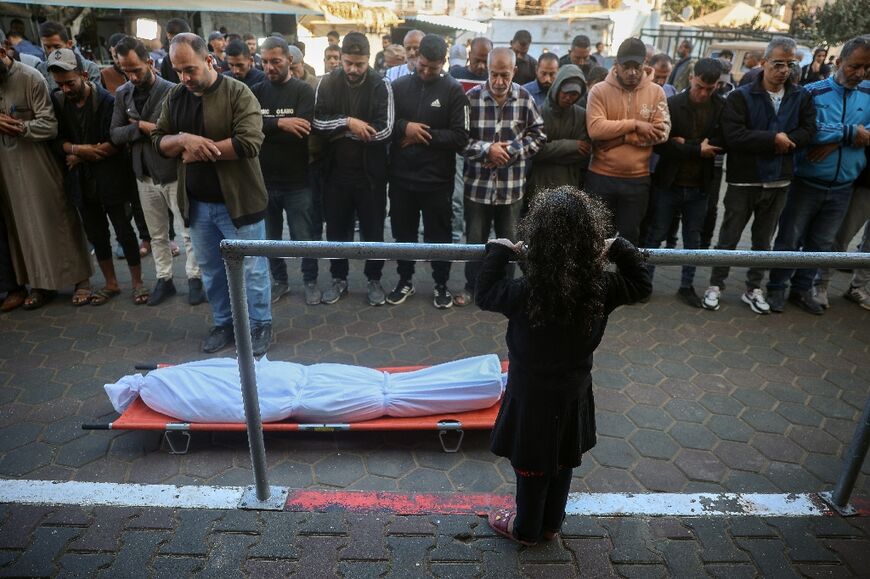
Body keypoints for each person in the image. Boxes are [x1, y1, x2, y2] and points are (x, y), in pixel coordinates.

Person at [478, 187, 651, 546]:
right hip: (573, 393)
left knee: (532, 468)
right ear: (591, 237)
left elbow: (486, 292)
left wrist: (498, 251)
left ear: (537, 237)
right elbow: (642, 284)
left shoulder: (528, 290)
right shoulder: (601, 286)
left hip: (530, 397)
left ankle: (526, 529)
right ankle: (552, 524)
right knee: (561, 462)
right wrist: (619, 247)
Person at [152, 33, 272, 355]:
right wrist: (183, 140)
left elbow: (249, 143)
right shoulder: (176, 97)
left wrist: (197, 149)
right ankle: (224, 323)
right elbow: (159, 140)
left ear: (209, 60)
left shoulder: (238, 92)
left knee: (253, 270)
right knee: (211, 271)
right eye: (178, 71)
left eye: (189, 69)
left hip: (240, 202)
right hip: (198, 206)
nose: (184, 78)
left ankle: (260, 324)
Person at [705, 36, 817, 314]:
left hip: (779, 180)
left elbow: (809, 131)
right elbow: (733, 136)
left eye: (790, 64)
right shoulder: (742, 96)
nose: (783, 70)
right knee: (729, 237)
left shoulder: (800, 96)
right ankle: (716, 284)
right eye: (778, 63)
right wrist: (772, 139)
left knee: (763, 240)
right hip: (744, 179)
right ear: (764, 62)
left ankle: (753, 287)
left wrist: (789, 140)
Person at [767, 36, 870, 314]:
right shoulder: (811, 92)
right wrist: (850, 132)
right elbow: (807, 130)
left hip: (843, 186)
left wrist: (836, 140)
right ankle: (776, 289)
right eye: (854, 66)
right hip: (806, 182)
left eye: (866, 68)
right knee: (789, 239)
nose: (860, 74)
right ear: (838, 62)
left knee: (821, 244)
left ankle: (802, 290)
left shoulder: (869, 93)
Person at [48, 48, 148, 306]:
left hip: (112, 177)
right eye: (60, 85)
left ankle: (137, 283)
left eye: (70, 83)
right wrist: (79, 149)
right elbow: (56, 141)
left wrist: (79, 153)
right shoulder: (57, 101)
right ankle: (111, 283)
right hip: (81, 182)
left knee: (124, 231)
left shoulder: (107, 100)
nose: (66, 89)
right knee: (97, 233)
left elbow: (113, 142)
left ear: (83, 75)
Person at [110, 35, 204, 307]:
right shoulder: (122, 93)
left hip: (173, 171)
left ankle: (195, 278)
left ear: (149, 63)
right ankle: (164, 279)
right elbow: (115, 134)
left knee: (187, 229)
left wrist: (147, 129)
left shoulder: (173, 91)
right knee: (156, 234)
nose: (132, 77)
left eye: (136, 70)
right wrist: (140, 127)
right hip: (143, 174)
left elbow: (177, 133)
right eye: (125, 71)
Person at [0, 37, 93, 310]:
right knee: (23, 228)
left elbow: (49, 126)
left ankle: (81, 280)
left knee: (57, 220)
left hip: (38, 164)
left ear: (2, 52)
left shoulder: (31, 78)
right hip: (6, 170)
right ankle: (40, 285)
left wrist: (19, 127)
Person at [456, 47, 545, 307]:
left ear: (514, 72)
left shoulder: (525, 98)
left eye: (504, 75)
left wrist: (512, 151)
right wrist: (487, 151)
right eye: (494, 74)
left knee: (510, 243)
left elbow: (539, 135)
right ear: (487, 70)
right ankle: (473, 287)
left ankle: (505, 290)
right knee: (475, 243)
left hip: (511, 189)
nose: (498, 82)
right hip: (477, 188)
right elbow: (460, 141)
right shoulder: (471, 98)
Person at [387, 34, 470, 309]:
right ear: (416, 58)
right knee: (403, 235)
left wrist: (424, 135)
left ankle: (441, 283)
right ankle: (405, 280)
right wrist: (404, 128)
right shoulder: (398, 86)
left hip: (437, 181)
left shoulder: (453, 90)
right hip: (401, 179)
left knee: (439, 237)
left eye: (432, 68)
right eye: (421, 65)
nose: (425, 71)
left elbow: (461, 137)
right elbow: (387, 124)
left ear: (443, 63)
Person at [312, 32, 394, 306]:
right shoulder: (327, 83)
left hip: (371, 177)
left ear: (368, 60)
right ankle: (339, 278)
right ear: (341, 58)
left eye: (359, 64)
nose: (353, 69)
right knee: (336, 231)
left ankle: (374, 279)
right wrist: (349, 123)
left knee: (373, 233)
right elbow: (317, 122)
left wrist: (342, 131)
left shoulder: (381, 84)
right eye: (348, 63)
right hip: (335, 174)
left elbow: (384, 130)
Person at [646, 58, 726, 308]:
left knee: (693, 240)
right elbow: (661, 143)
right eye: (700, 86)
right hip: (668, 182)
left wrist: (683, 145)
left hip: (700, 185)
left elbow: (721, 142)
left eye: (709, 89)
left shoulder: (721, 107)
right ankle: (645, 283)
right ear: (692, 77)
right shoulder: (672, 104)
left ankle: (686, 286)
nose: (703, 93)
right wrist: (695, 148)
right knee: (656, 235)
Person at [252, 36, 320, 306]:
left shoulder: (303, 91)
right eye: (265, 61)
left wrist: (267, 125)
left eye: (275, 61)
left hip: (298, 181)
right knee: (270, 240)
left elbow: (303, 128)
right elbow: (249, 127)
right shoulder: (255, 91)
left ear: (289, 61)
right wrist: (280, 123)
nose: (269, 67)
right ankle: (279, 281)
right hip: (264, 181)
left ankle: (310, 280)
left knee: (305, 238)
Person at [585, 37, 671, 246]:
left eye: (637, 66)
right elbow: (596, 129)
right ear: (616, 65)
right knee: (596, 238)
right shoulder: (599, 91)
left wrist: (622, 137)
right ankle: (595, 279)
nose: (632, 72)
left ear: (644, 65)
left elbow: (661, 133)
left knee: (630, 240)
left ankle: (625, 280)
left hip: (637, 180)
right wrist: (636, 125)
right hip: (601, 178)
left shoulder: (656, 92)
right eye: (627, 66)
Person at [525, 64, 590, 197]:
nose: (568, 98)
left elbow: (584, 152)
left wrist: (548, 152)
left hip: (569, 184)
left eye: (574, 94)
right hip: (539, 185)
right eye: (565, 92)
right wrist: (570, 145)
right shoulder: (538, 112)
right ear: (557, 87)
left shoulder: (581, 116)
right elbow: (534, 152)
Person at [36, 21, 102, 93]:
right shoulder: (41, 69)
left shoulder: (90, 68)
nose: (52, 51)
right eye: (48, 47)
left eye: (57, 46)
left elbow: (96, 97)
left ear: (69, 44)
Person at [159, 18, 190, 84]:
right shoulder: (167, 61)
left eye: (177, 40)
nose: (173, 44)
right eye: (170, 40)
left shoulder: (199, 57)